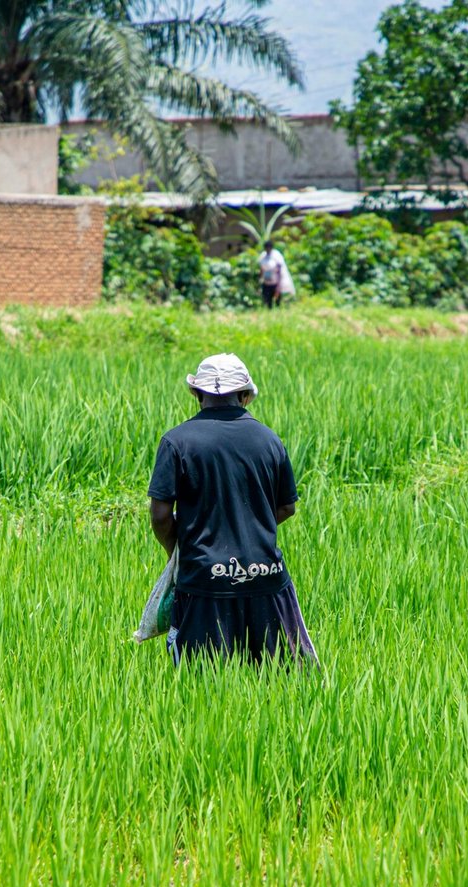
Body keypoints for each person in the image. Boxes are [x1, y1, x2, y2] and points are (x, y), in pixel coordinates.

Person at [148, 354, 315, 665]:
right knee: (278, 684)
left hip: (203, 580)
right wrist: (251, 525)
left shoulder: (176, 441)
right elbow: (287, 507)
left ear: (197, 395)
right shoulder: (269, 439)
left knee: (199, 685)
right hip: (266, 577)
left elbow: (159, 515)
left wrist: (180, 548)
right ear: (244, 395)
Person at [257, 241, 293, 308]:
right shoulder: (263, 256)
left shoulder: (276, 256)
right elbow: (261, 269)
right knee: (267, 301)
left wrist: (279, 284)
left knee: (277, 301)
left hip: (275, 282)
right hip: (266, 281)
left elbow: (280, 270)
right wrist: (259, 280)